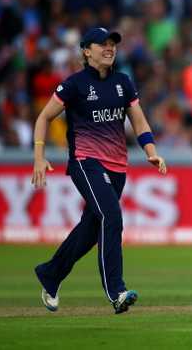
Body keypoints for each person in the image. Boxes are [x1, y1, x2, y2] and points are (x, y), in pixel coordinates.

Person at [31, 27, 167, 314]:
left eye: (112, 44)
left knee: (91, 229)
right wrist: (39, 156)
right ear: (86, 50)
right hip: (86, 160)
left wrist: (151, 152)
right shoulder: (74, 84)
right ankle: (116, 291)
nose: (109, 48)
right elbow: (44, 117)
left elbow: (139, 123)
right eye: (102, 44)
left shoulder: (123, 83)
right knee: (111, 215)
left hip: (117, 166)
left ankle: (51, 273)